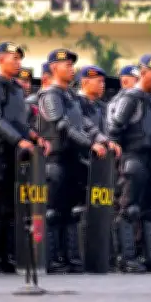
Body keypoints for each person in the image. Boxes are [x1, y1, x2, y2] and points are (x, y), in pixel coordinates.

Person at [39, 52, 112, 273]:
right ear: (54, 68)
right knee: (51, 212)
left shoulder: (70, 96)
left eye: (72, 65)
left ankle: (70, 257)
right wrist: (90, 144)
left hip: (72, 160)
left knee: (70, 212)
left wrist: (104, 140)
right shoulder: (50, 95)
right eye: (66, 64)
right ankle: (51, 259)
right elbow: (63, 125)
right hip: (55, 160)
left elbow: (86, 123)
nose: (72, 68)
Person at [0, 42, 49, 273]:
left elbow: (20, 122)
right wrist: (18, 140)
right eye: (13, 58)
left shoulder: (17, 88)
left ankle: (2, 255)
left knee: (10, 205)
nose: (18, 63)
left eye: (20, 58)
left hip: (15, 151)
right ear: (0, 59)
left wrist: (35, 137)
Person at [108, 54, 151, 273]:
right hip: (134, 158)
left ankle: (149, 256)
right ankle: (125, 257)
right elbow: (115, 126)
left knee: (149, 210)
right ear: (143, 73)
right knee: (129, 209)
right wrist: (116, 149)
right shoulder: (131, 98)